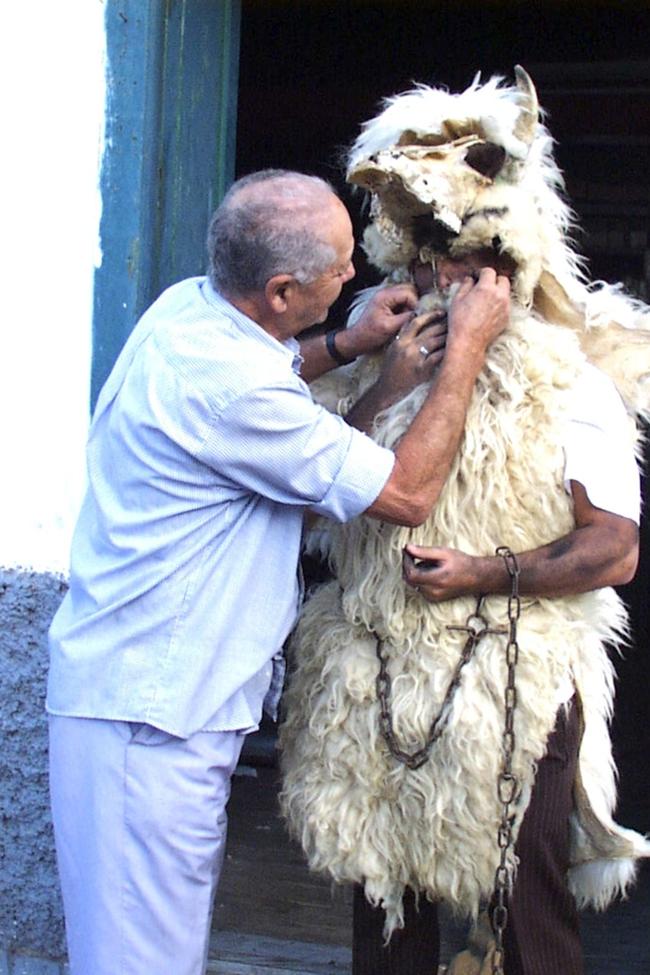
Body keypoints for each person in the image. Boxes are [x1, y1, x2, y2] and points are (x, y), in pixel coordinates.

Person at [46, 168, 510, 975]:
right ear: (281, 288)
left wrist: (356, 352)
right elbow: (401, 492)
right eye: (337, 266)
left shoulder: (191, 306)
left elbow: (292, 457)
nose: (353, 276)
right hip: (151, 721)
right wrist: (465, 346)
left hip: (157, 703)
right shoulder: (232, 387)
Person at [279, 70, 650, 975]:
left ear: (506, 260)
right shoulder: (380, 363)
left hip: (511, 681)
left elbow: (616, 548)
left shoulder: (571, 383)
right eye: (425, 255)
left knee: (527, 911)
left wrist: (489, 573)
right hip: (370, 677)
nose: (441, 278)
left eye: (462, 258)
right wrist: (382, 382)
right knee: (385, 907)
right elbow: (313, 493)